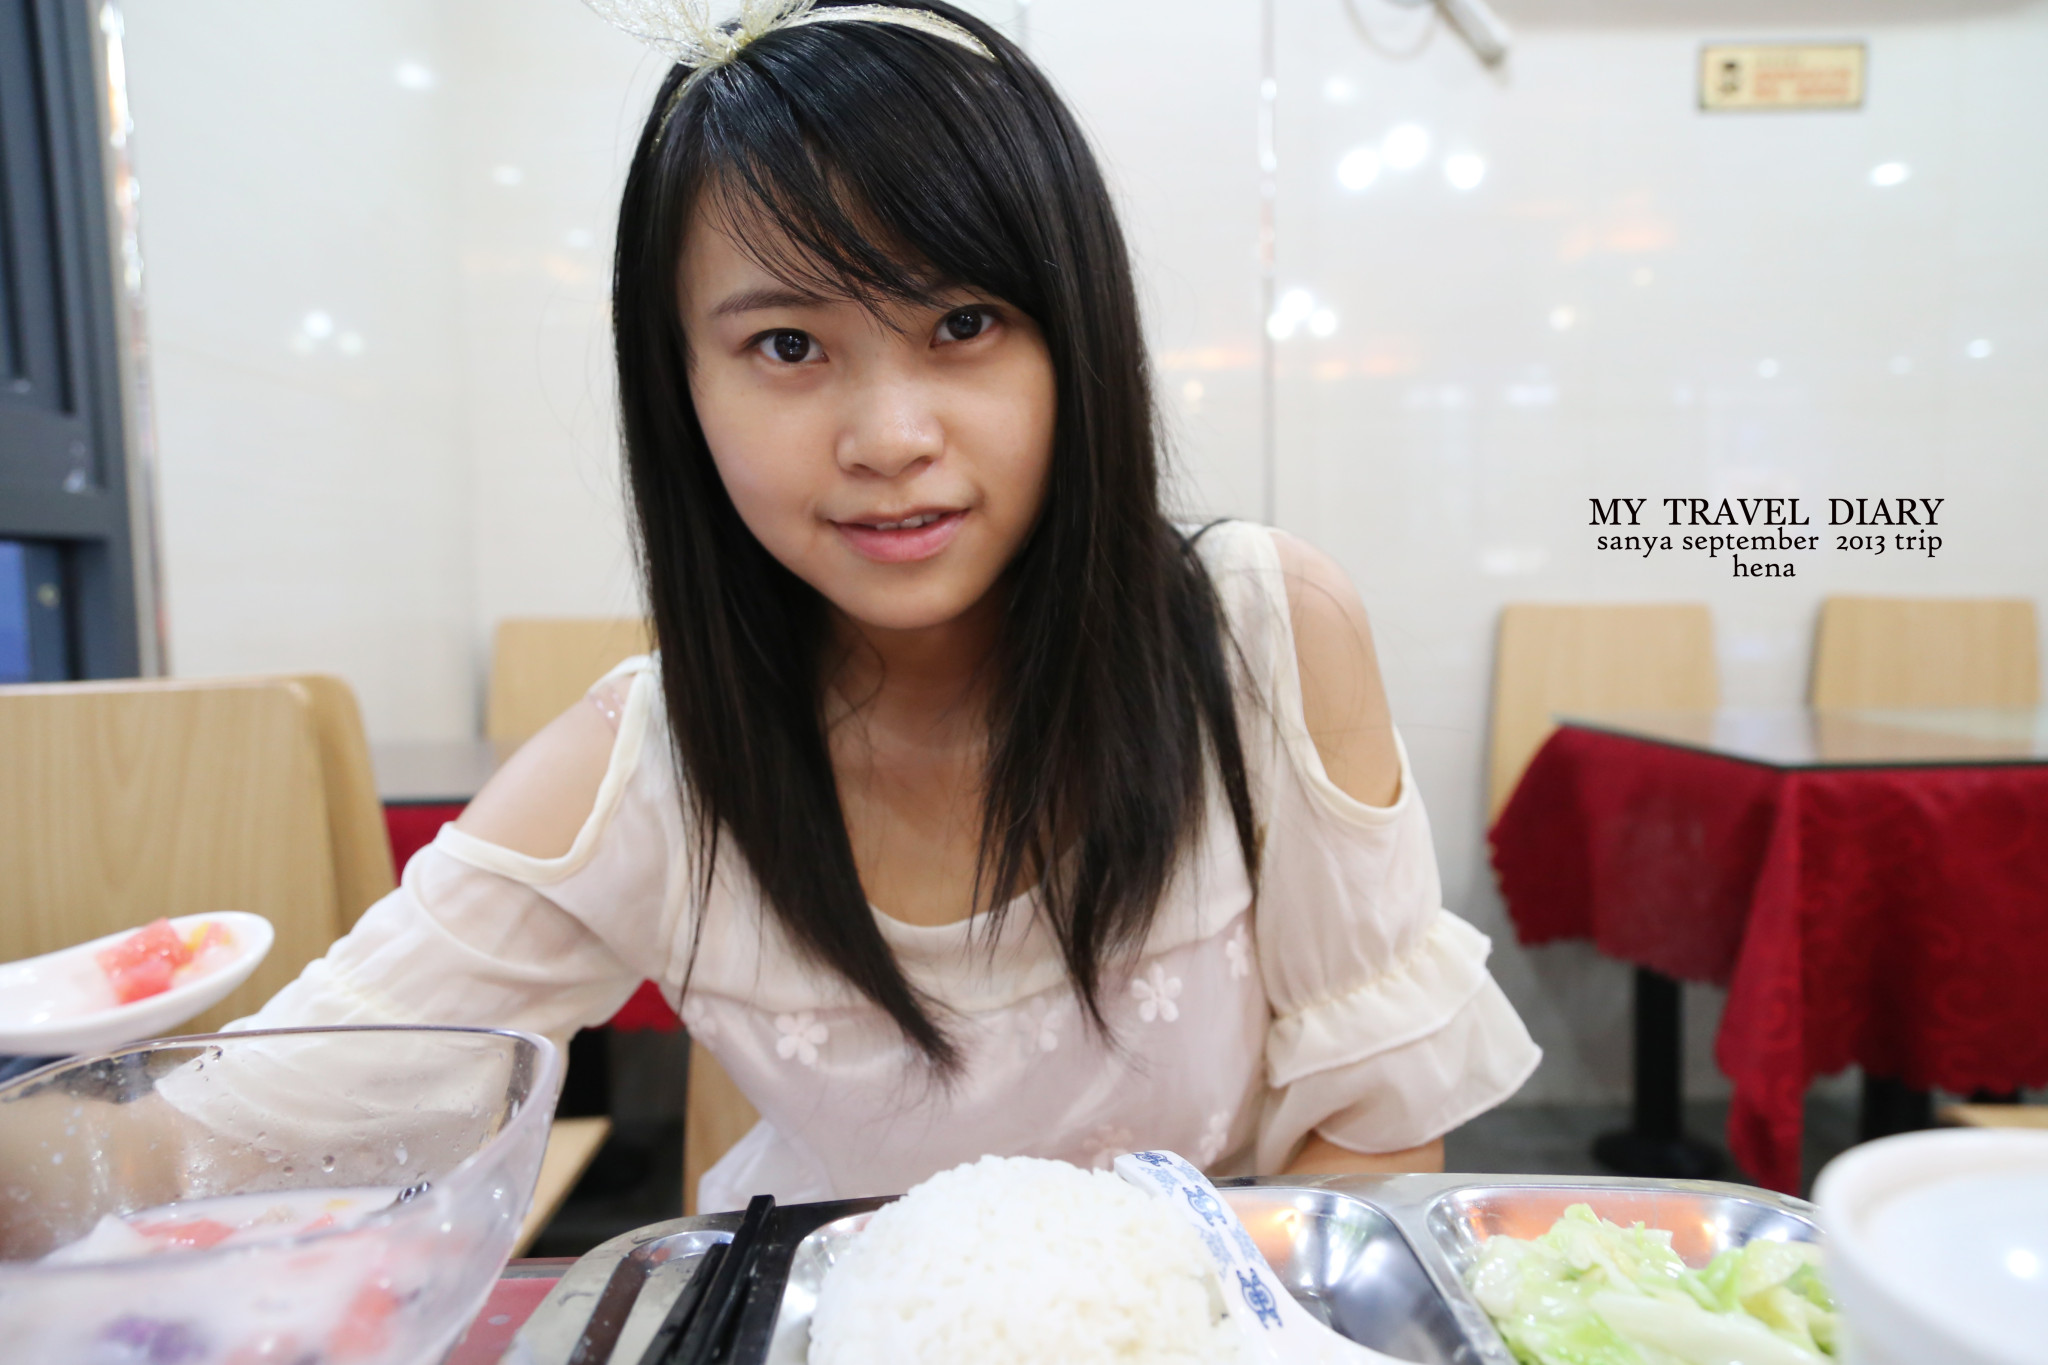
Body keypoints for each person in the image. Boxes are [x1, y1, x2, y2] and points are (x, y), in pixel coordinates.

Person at [242, 0, 1539, 1212]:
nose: (891, 436)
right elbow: (260, 1117)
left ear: (1076, 336)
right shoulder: (648, 765)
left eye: (964, 322)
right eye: (787, 346)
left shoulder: (1263, 634)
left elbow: (1371, 1135)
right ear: (681, 388)